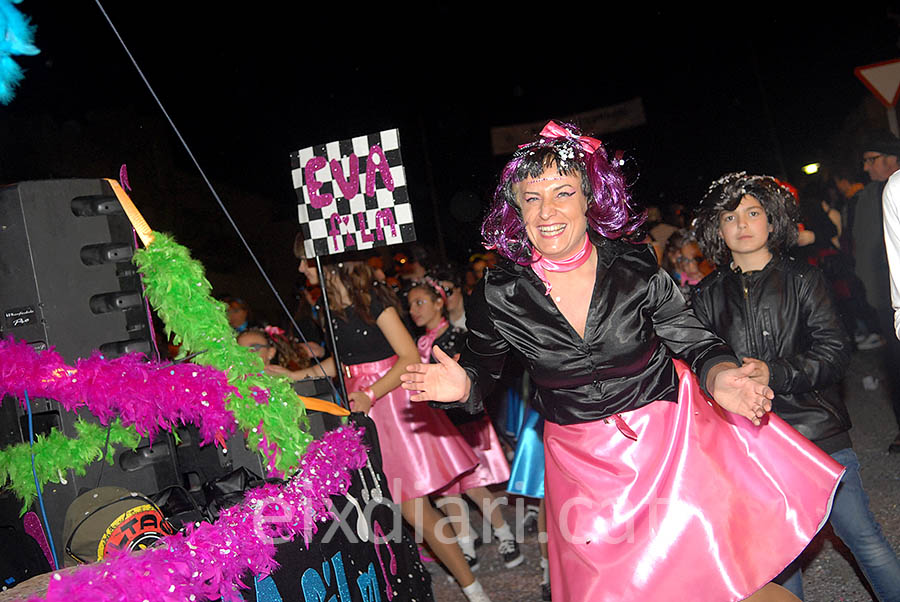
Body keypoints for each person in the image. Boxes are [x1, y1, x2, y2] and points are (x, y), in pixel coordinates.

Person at [400, 121, 844, 602]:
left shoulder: (632, 263)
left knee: (724, 581)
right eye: (532, 198)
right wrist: (461, 388)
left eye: (563, 192)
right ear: (517, 209)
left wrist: (721, 376)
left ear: (588, 200)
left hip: (669, 444)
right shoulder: (499, 291)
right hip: (580, 467)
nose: (547, 211)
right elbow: (481, 373)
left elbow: (692, 337)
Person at [690, 172, 900, 601]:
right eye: (730, 216)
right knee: (778, 554)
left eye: (753, 213)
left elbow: (834, 351)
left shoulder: (803, 279)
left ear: (773, 221)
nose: (743, 224)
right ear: (717, 227)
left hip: (817, 431)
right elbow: (696, 364)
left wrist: (776, 372)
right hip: (750, 442)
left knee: (862, 536)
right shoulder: (707, 295)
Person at [288, 245, 492, 602]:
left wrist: (370, 393)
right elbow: (339, 363)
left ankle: (474, 591)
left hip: (388, 402)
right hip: (357, 406)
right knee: (381, 504)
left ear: (326, 262)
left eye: (305, 261)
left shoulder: (372, 302)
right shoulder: (329, 309)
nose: (302, 269)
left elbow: (409, 356)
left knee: (413, 508)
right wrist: (292, 377)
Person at [406, 278, 522, 571]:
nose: (413, 310)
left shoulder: (458, 337)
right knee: (445, 487)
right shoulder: (418, 343)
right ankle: (466, 539)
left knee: (473, 484)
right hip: (436, 425)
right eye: (410, 305)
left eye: (420, 302)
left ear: (438, 303)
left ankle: (504, 533)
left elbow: (474, 379)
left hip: (463, 422)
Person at [854, 131, 900, 452]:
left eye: (872, 159)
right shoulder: (867, 198)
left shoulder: (893, 190)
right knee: (894, 365)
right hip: (885, 298)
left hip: (892, 294)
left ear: (891, 158)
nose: (867, 167)